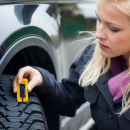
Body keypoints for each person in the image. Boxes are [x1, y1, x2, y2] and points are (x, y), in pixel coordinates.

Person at [13, 0, 130, 129]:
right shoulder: (94, 53)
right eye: (99, 20)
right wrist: (42, 80)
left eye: (113, 28)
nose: (98, 34)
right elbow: (69, 98)